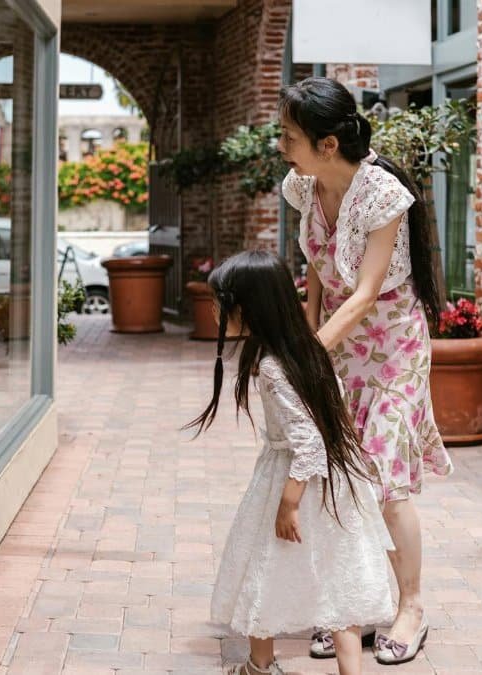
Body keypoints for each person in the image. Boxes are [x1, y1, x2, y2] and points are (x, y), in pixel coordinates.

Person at [277, 76, 453, 665]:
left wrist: (307, 357)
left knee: (384, 478)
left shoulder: (382, 196)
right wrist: (306, 337)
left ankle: (410, 606)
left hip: (393, 349)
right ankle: (352, 603)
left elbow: (365, 291)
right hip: (339, 348)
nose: (281, 144)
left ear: (328, 144)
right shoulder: (303, 188)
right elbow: (318, 279)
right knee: (340, 477)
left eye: (290, 135)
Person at [190, 250, 395, 675]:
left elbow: (309, 442)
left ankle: (259, 666)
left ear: (248, 309)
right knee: (341, 576)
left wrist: (288, 504)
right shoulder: (309, 350)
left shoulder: (271, 366)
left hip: (295, 480)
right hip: (336, 484)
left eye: (220, 303)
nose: (214, 311)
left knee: (262, 566)